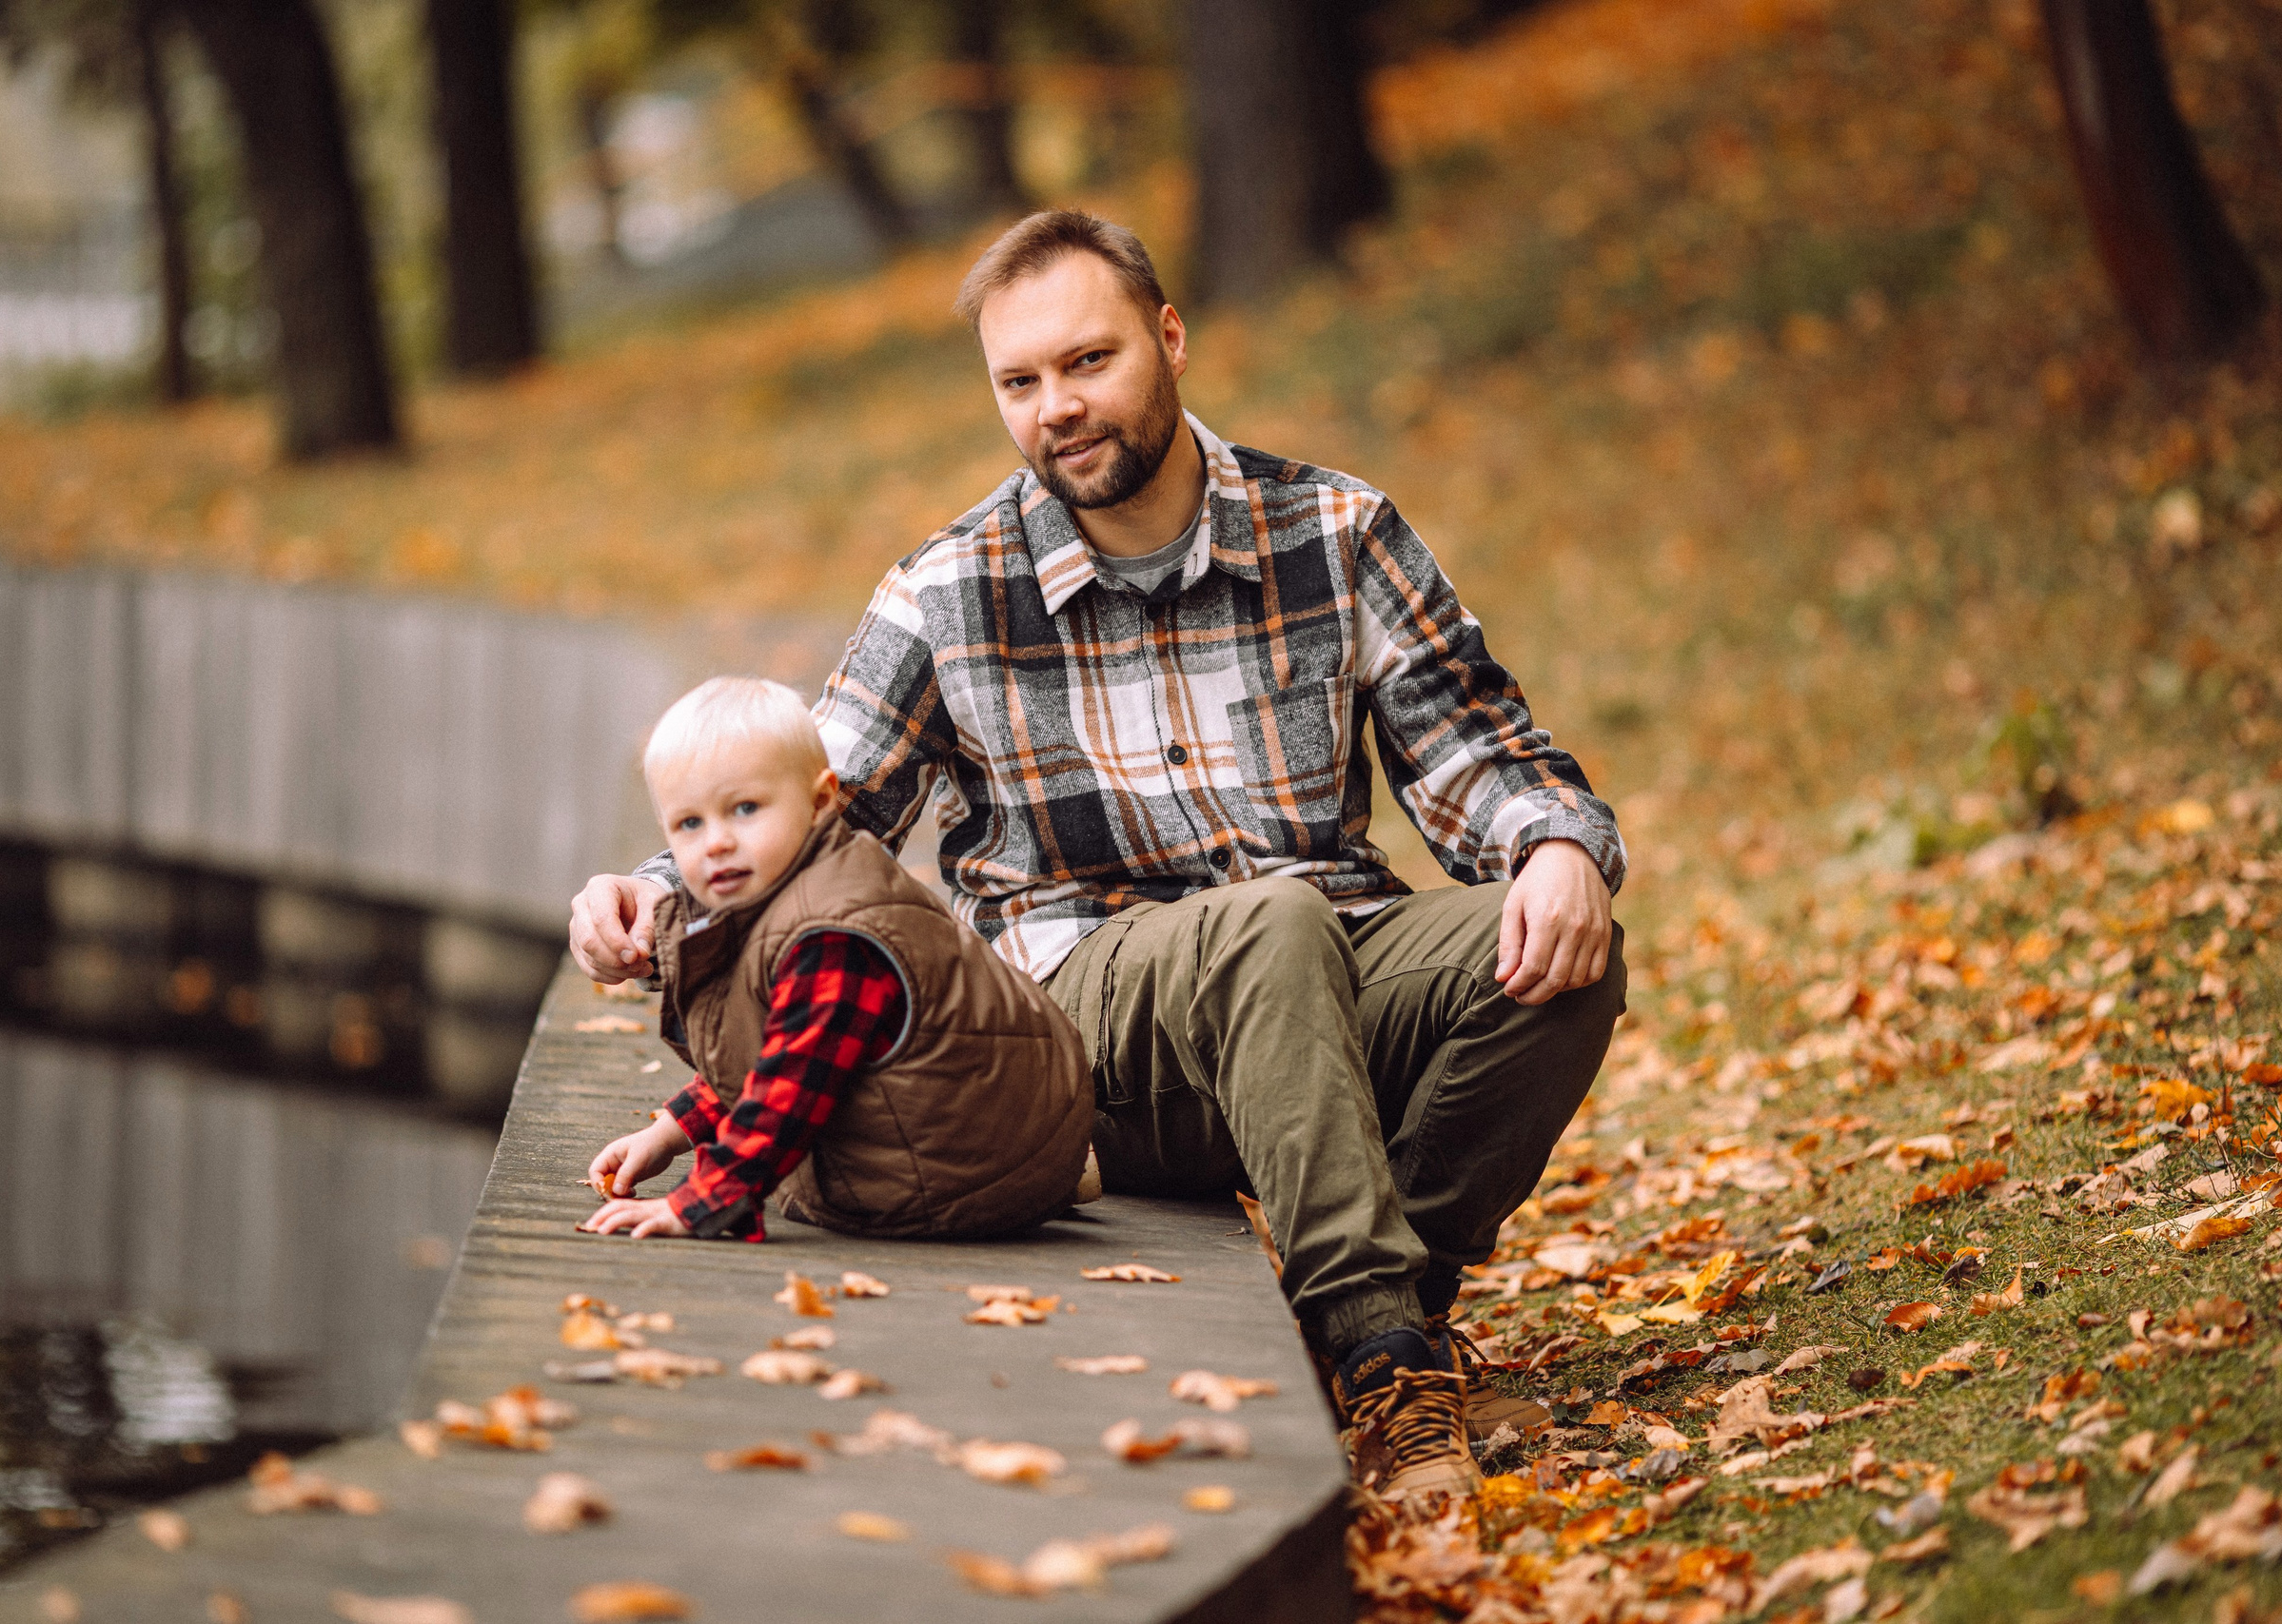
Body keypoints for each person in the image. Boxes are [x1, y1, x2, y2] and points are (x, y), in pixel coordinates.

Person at [570, 211, 1626, 1498]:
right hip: (1093, 1048)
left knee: (1555, 944)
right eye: (1019, 381)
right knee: (1269, 920)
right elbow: (809, 800)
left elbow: (1479, 750)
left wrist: (1554, 843)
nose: (1056, 406)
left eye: (1088, 361)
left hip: (1327, 982)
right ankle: (1387, 1359)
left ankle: (1382, 1297)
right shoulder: (950, 589)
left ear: (1170, 339)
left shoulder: (1333, 531)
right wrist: (653, 892)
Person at [578, 675, 1091, 1242]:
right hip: (973, 1137)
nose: (716, 842)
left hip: (949, 1172)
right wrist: (673, 1131)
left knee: (791, 1150)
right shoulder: (783, 896)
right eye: (690, 823)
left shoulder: (834, 931)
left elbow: (792, 1083)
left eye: (745, 809)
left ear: (822, 801)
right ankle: (1045, 1172)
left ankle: (1025, 1178)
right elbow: (771, 1042)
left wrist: (699, 1202)